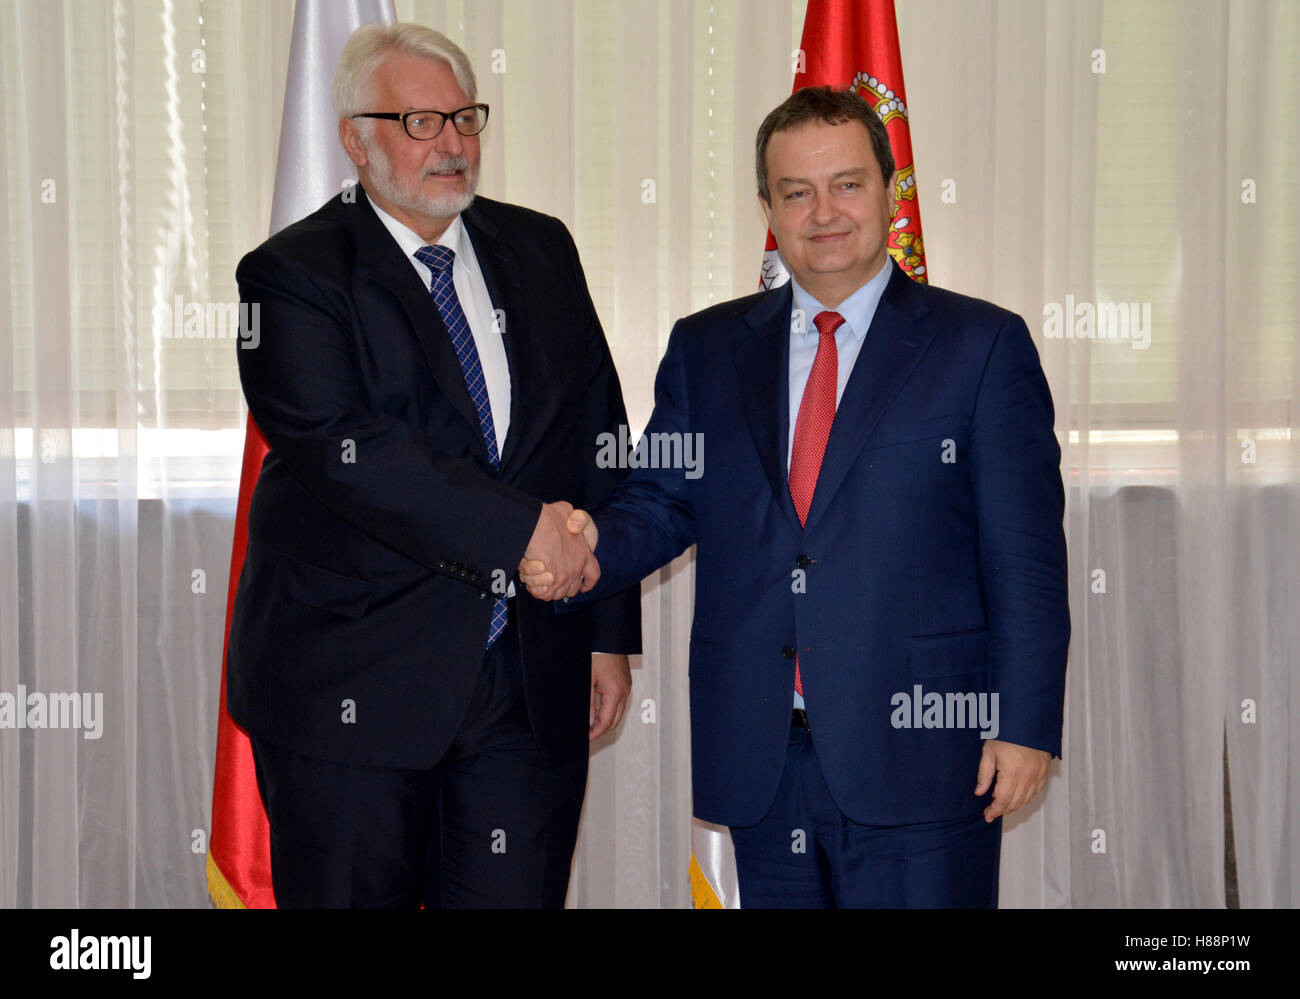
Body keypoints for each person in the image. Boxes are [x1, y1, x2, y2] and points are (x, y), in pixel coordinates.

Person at [522, 86, 1069, 907]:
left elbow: (1025, 557)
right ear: (767, 207)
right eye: (796, 191)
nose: (824, 212)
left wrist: (1024, 722)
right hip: (761, 757)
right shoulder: (707, 347)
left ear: (890, 192)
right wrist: (581, 545)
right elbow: (663, 500)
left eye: (847, 184)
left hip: (922, 755)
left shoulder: (982, 345)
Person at [226, 22, 640, 908]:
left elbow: (596, 426)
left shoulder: (542, 246)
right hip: (354, 688)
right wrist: (524, 528)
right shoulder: (291, 276)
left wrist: (604, 629)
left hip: (529, 679)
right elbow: (355, 457)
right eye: (420, 122)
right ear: (355, 139)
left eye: (464, 117)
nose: (451, 142)